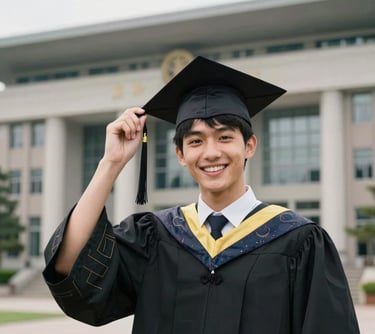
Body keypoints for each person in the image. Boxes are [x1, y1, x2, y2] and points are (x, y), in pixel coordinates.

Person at [43, 56, 360, 333]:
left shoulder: (300, 241)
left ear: (249, 145)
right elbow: (71, 267)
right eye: (195, 141)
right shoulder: (156, 237)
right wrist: (110, 164)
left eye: (224, 137)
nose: (211, 152)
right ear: (180, 154)